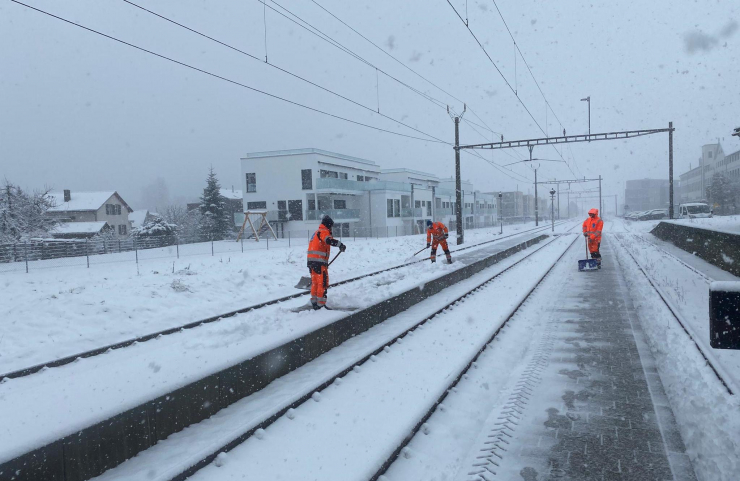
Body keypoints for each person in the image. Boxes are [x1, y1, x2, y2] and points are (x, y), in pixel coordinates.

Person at [307, 215, 346, 309]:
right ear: (328, 225)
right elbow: (329, 240)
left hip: (311, 261)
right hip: (319, 262)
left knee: (315, 282)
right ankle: (321, 305)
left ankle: (314, 302)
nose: (331, 228)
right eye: (331, 226)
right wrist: (340, 245)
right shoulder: (324, 231)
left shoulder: (317, 232)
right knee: (322, 283)